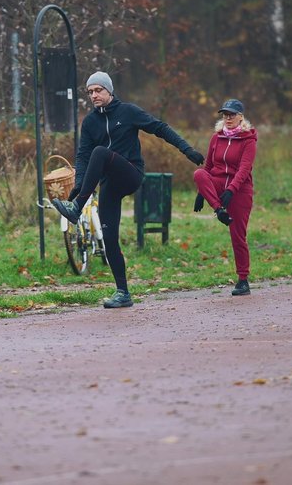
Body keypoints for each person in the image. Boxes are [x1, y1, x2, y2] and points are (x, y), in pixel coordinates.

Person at [51, 71, 205, 308]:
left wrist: (187, 150)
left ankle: (76, 209)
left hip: (131, 173)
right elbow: (81, 157)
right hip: (109, 183)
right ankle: (123, 293)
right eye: (90, 92)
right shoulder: (90, 122)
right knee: (109, 237)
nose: (94, 95)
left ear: (109, 90)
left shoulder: (128, 112)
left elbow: (160, 128)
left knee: (100, 152)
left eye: (98, 90)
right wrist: (80, 184)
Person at [193, 99, 258, 296]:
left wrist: (231, 190)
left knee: (238, 235)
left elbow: (245, 169)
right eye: (225, 115)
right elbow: (209, 168)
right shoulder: (217, 138)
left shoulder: (248, 139)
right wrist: (202, 193)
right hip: (218, 182)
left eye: (232, 115)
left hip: (240, 188)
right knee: (198, 174)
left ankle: (243, 280)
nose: (228, 118)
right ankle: (219, 210)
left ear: (241, 116)